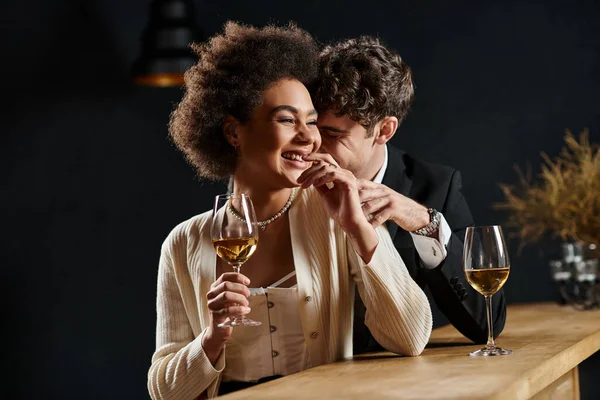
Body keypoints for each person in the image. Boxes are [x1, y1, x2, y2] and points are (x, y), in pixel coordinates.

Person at [147, 22, 432, 399]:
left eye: (311, 121)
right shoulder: (183, 243)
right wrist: (211, 338)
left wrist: (358, 227)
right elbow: (164, 390)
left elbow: (410, 338)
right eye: (286, 119)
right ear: (234, 132)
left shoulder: (337, 215)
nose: (309, 137)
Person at [311, 36, 506, 353]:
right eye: (311, 126)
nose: (313, 144)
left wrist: (423, 222)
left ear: (384, 130)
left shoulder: (436, 188)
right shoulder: (288, 183)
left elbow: (486, 326)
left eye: (332, 134)